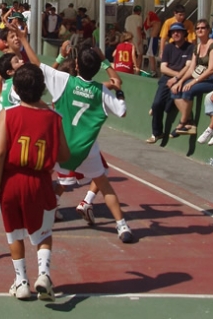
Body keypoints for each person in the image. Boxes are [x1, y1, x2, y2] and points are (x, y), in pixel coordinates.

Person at [15, 25, 135, 243]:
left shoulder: (64, 81)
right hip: (85, 150)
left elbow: (37, 64)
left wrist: (24, 39)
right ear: (98, 67)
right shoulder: (102, 91)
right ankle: (122, 226)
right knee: (104, 183)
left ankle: (32, 218)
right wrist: (118, 89)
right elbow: (123, 111)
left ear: (77, 65)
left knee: (39, 180)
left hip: (59, 146)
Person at [0, 64, 70, 302]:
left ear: (15, 90)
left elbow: (0, 152)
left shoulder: (7, 114)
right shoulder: (53, 118)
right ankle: (43, 274)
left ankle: (21, 282)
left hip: (11, 182)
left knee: (14, 234)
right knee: (43, 235)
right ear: (43, 89)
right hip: (39, 183)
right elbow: (64, 155)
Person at [171, 19, 213, 134]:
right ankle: (189, 121)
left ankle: (182, 123)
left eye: (203, 28)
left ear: (208, 30)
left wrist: (193, 82)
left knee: (189, 90)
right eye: (198, 28)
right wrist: (181, 80)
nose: (200, 30)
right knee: (175, 90)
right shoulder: (197, 47)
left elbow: (211, 69)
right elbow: (192, 68)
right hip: (200, 77)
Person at [147, 22, 194, 144]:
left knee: (169, 105)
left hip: (183, 79)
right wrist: (175, 76)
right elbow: (163, 68)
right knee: (157, 104)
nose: (176, 34)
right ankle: (157, 133)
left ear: (184, 33)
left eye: (179, 31)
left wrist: (177, 79)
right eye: (173, 32)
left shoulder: (190, 47)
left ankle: (185, 123)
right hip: (167, 79)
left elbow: (189, 67)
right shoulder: (168, 47)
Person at [124, 5, 144, 70]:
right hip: (136, 37)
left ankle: (130, 66)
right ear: (139, 12)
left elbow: (126, 29)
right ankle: (138, 68)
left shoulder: (128, 18)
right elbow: (138, 28)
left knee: (130, 52)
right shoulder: (139, 18)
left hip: (129, 37)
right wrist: (140, 38)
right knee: (139, 54)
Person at [144, 10, 161, 76]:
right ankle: (153, 69)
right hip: (154, 38)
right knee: (151, 55)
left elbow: (148, 24)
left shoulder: (155, 21)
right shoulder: (158, 21)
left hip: (152, 38)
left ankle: (153, 70)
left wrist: (148, 17)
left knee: (151, 55)